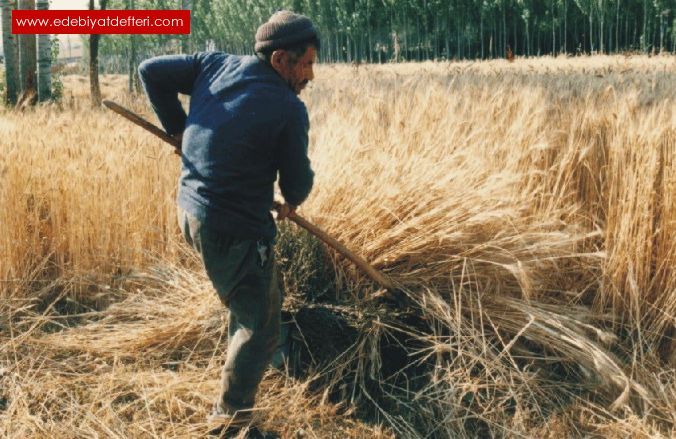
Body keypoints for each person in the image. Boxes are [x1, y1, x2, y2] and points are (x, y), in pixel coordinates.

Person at [138, 10, 318, 436]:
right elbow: (296, 187)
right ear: (280, 61)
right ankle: (231, 423)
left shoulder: (213, 63)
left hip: (190, 211)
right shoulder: (288, 109)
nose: (312, 74)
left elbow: (150, 71)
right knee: (260, 326)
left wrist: (179, 130)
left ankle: (257, 358)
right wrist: (292, 200)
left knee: (254, 297)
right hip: (232, 230)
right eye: (307, 63)